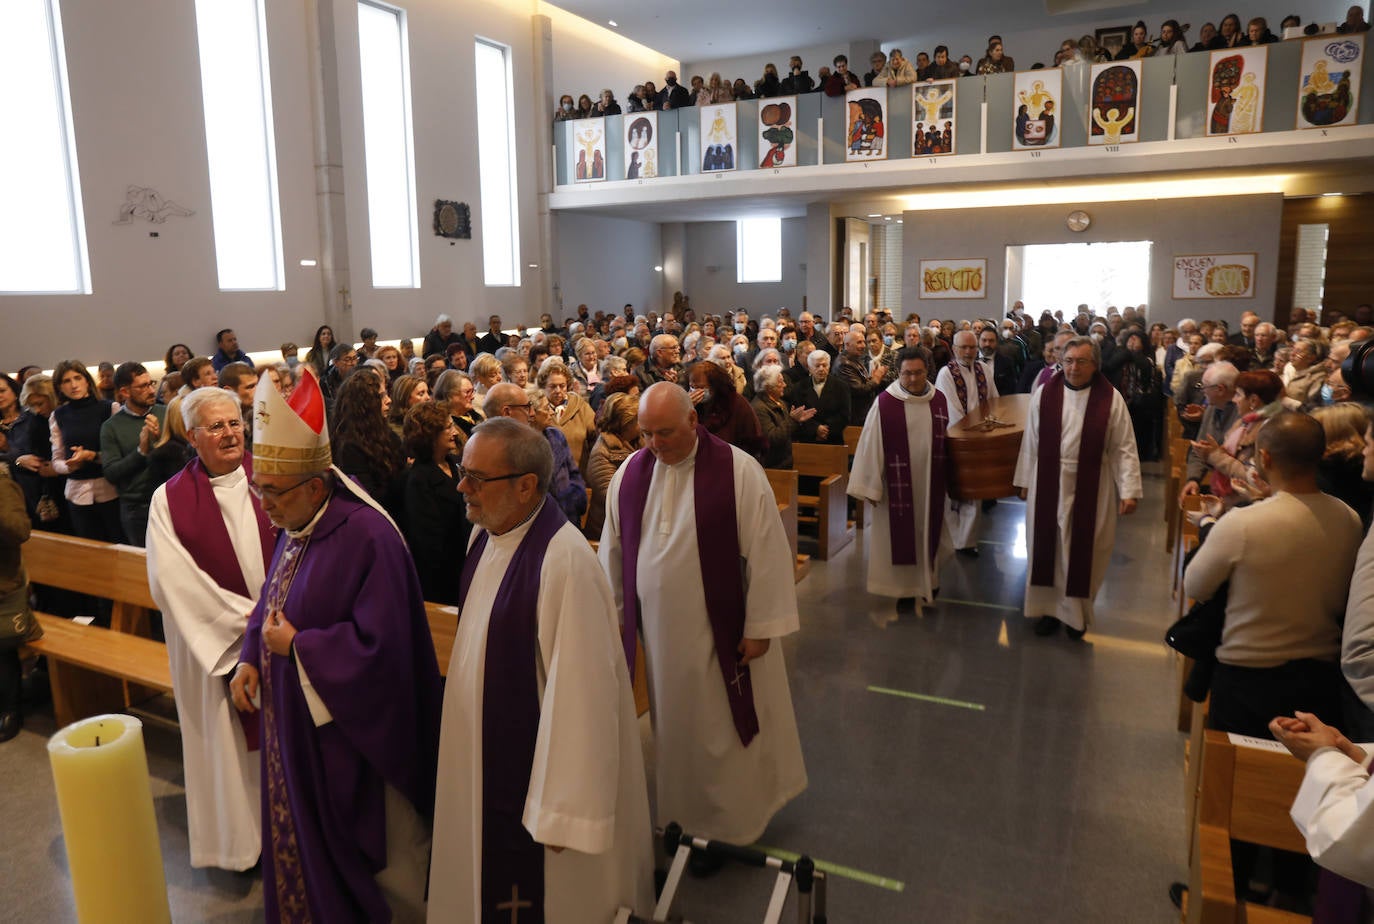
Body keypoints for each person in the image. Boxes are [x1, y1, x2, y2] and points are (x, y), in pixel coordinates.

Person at [228, 368, 443, 921]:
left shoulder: (368, 537)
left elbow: (385, 650)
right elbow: (275, 595)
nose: (265, 506)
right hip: (295, 722)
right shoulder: (299, 522)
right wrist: (253, 652)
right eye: (260, 491)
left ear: (316, 486)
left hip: (354, 741)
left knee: (379, 863)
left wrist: (300, 646)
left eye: (272, 493)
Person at [426, 418, 654, 921]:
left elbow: (583, 699)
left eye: (476, 478)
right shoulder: (485, 536)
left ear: (526, 485)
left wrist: (563, 811)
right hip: (479, 757)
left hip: (541, 797)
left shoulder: (563, 562)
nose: (462, 486)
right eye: (462, 472)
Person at [599, 384, 806, 867]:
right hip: (663, 641)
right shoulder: (630, 473)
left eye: (665, 432)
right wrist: (614, 620)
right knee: (677, 735)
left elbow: (768, 553)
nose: (654, 444)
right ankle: (685, 823)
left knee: (723, 733)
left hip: (726, 636)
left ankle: (727, 828)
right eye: (646, 433)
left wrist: (760, 626)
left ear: (694, 420)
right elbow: (612, 553)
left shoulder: (737, 471)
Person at [145, 387, 273, 870]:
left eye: (236, 423)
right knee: (225, 743)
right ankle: (243, 845)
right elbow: (171, 580)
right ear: (192, 436)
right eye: (216, 427)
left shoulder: (274, 477)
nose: (229, 434)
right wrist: (252, 624)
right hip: (216, 649)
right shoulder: (168, 499)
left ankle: (290, 828)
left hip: (283, 639)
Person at [1014, 337, 1142, 639]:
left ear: (1095, 365)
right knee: (1047, 549)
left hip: (1092, 485)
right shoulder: (1045, 394)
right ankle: (1048, 611)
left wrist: (1129, 489)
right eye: (1068, 360)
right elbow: (1031, 441)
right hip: (1048, 480)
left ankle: (1077, 616)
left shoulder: (1110, 400)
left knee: (1086, 552)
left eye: (1081, 361)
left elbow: (1124, 447)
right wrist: (1023, 481)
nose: (1073, 367)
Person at [848, 347, 953, 612]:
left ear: (927, 371)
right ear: (898, 373)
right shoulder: (886, 403)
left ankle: (930, 582)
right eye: (907, 373)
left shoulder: (939, 399)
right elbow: (871, 443)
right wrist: (870, 486)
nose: (913, 379)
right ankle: (905, 593)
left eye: (918, 373)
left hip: (932, 483)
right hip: (897, 489)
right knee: (902, 540)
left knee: (930, 534)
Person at [936, 331, 999, 555]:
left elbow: (993, 401)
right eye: (963, 347)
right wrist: (970, 432)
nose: (968, 352)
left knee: (974, 492)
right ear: (954, 349)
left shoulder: (984, 370)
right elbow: (951, 410)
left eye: (972, 347)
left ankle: (967, 542)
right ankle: (952, 538)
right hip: (956, 440)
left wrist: (989, 426)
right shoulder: (946, 374)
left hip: (980, 440)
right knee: (955, 492)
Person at [402, 401, 470, 605]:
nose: (454, 432)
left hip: (466, 561)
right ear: (430, 435)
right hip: (443, 576)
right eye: (447, 428)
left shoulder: (456, 463)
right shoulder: (419, 479)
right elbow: (427, 540)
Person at [50, 360, 123, 550]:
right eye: (66, 381)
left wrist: (92, 456)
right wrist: (69, 466)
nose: (73, 385)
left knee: (119, 546)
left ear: (87, 380)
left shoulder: (109, 408)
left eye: (77, 378)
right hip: (77, 492)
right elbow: (56, 459)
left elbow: (122, 450)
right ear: (59, 387)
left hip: (110, 488)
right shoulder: (58, 415)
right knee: (89, 551)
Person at [99, 362, 166, 546]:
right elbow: (111, 473)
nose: (152, 391)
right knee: (144, 564)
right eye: (143, 386)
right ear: (125, 392)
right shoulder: (111, 427)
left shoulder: (166, 413)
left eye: (151, 383)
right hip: (137, 508)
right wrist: (141, 451)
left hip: (170, 498)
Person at [331, 368, 406, 526]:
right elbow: (369, 498)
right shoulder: (350, 448)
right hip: (380, 522)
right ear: (364, 404)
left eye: (386, 394)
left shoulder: (385, 433)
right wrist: (407, 473)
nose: (389, 400)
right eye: (380, 396)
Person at [0, 461, 33, 742]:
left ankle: (10, 709)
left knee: (1, 647)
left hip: (3, 584)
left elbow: (20, 530)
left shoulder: (4, 487)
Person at [584, 392, 640, 539]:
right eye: (638, 420)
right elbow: (612, 496)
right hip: (606, 531)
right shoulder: (602, 452)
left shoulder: (640, 441)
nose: (642, 424)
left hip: (630, 526)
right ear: (625, 423)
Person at [689, 358, 764, 460]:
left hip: (732, 460)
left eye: (701, 388)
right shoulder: (689, 404)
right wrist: (686, 407)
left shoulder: (735, 402)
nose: (695, 392)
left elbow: (753, 439)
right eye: (692, 387)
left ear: (714, 386)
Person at [540, 361, 595, 475]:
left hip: (578, 478)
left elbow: (596, 437)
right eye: (553, 386)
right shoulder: (538, 410)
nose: (558, 391)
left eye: (562, 386)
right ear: (544, 386)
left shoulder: (580, 406)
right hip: (548, 481)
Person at [788, 350, 849, 444]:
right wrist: (816, 429)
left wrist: (826, 430)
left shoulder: (841, 387)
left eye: (824, 365)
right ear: (809, 368)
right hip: (808, 439)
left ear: (829, 366)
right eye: (817, 366)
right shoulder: (799, 388)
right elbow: (798, 414)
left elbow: (845, 415)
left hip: (833, 439)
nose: (821, 369)